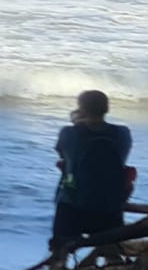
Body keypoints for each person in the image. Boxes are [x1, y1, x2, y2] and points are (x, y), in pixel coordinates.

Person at [52, 89, 134, 244]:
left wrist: (76, 124)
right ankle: (112, 254)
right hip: (110, 205)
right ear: (106, 109)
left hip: (73, 206)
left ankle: (59, 254)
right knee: (111, 246)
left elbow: (63, 155)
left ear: (81, 109)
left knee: (60, 245)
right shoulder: (123, 133)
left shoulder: (69, 133)